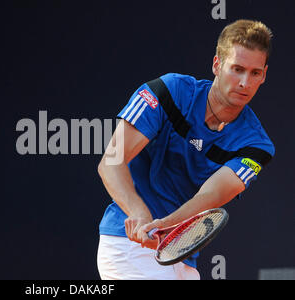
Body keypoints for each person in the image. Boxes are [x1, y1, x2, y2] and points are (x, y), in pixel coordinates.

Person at [97, 19, 275, 280]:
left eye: (255, 73)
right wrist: (139, 214)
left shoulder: (256, 145)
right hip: (128, 246)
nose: (244, 82)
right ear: (217, 64)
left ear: (264, 75)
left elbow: (210, 196)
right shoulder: (168, 91)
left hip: (180, 255)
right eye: (237, 69)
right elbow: (111, 161)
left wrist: (164, 228)